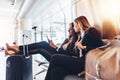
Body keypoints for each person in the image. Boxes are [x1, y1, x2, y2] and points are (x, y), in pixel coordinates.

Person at [44, 16, 104, 80]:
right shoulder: (81, 36)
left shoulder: (91, 30)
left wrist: (84, 47)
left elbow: (100, 45)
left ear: (80, 24)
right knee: (56, 71)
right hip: (79, 61)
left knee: (54, 57)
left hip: (83, 62)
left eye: (75, 25)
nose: (74, 27)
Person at [5, 23, 78, 61]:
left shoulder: (75, 41)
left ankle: (16, 50)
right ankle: (16, 49)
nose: (68, 30)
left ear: (74, 29)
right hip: (57, 52)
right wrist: (54, 46)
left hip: (59, 57)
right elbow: (60, 49)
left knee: (40, 49)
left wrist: (55, 47)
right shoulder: (67, 40)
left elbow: (68, 54)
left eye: (70, 29)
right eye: (68, 29)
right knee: (43, 43)